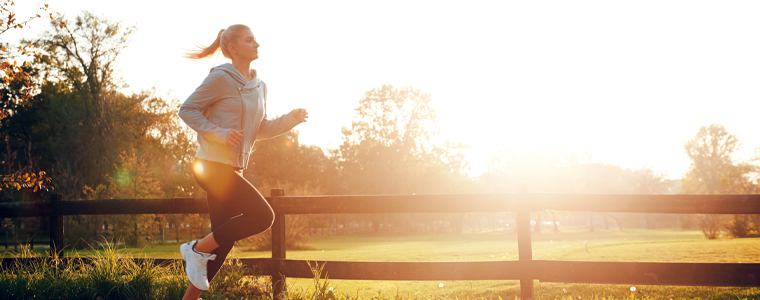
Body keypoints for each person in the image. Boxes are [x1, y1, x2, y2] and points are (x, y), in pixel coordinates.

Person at [177, 24, 308, 300]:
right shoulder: (221, 78)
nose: (257, 44)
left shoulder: (261, 86)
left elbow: (259, 129)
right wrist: (220, 134)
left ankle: (190, 294)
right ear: (233, 48)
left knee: (222, 242)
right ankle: (196, 248)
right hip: (211, 166)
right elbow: (187, 110)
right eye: (250, 40)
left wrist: (290, 120)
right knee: (264, 216)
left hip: (231, 169)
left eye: (256, 39)